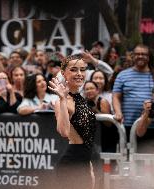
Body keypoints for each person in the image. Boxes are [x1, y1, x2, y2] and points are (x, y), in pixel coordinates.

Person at [48, 54, 99, 189]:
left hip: (84, 163)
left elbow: (87, 137)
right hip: (71, 166)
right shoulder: (61, 102)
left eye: (82, 69)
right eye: (73, 70)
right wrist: (63, 99)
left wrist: (89, 168)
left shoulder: (81, 98)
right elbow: (64, 132)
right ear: (64, 74)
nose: (79, 74)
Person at [112, 44, 154, 145]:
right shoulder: (122, 75)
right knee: (129, 158)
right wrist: (118, 112)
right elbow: (116, 96)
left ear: (148, 57)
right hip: (128, 126)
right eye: (137, 54)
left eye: (143, 54)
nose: (140, 56)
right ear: (133, 56)